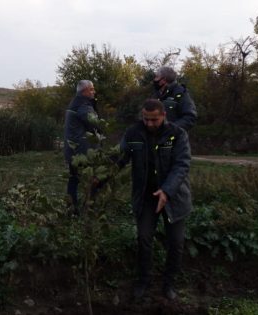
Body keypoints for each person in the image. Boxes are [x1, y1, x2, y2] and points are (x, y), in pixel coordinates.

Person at [118, 99, 192, 301]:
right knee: (143, 239)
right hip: (146, 198)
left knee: (176, 242)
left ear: (163, 116)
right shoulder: (133, 133)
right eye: (146, 119)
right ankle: (143, 280)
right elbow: (119, 158)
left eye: (154, 120)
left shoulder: (177, 135)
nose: (149, 124)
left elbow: (181, 165)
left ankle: (169, 284)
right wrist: (98, 177)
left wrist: (166, 191)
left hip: (173, 198)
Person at [63, 80, 101, 213]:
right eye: (92, 89)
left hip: (72, 149)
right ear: (85, 91)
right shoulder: (84, 105)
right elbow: (95, 123)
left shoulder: (75, 102)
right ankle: (89, 208)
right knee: (93, 179)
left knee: (73, 178)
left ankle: (71, 208)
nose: (94, 92)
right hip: (83, 151)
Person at [151, 66, 197, 131]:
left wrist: (170, 129)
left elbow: (190, 117)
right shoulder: (156, 95)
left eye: (156, 77)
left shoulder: (180, 93)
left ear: (163, 80)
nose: (154, 79)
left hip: (174, 139)